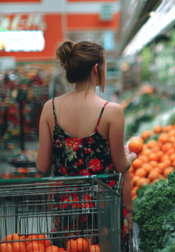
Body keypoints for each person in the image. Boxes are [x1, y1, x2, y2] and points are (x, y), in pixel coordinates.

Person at [36, 40, 136, 250]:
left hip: (67, 209)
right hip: (103, 208)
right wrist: (130, 157)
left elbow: (42, 165)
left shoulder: (50, 109)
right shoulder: (111, 111)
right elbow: (120, 166)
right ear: (96, 69)